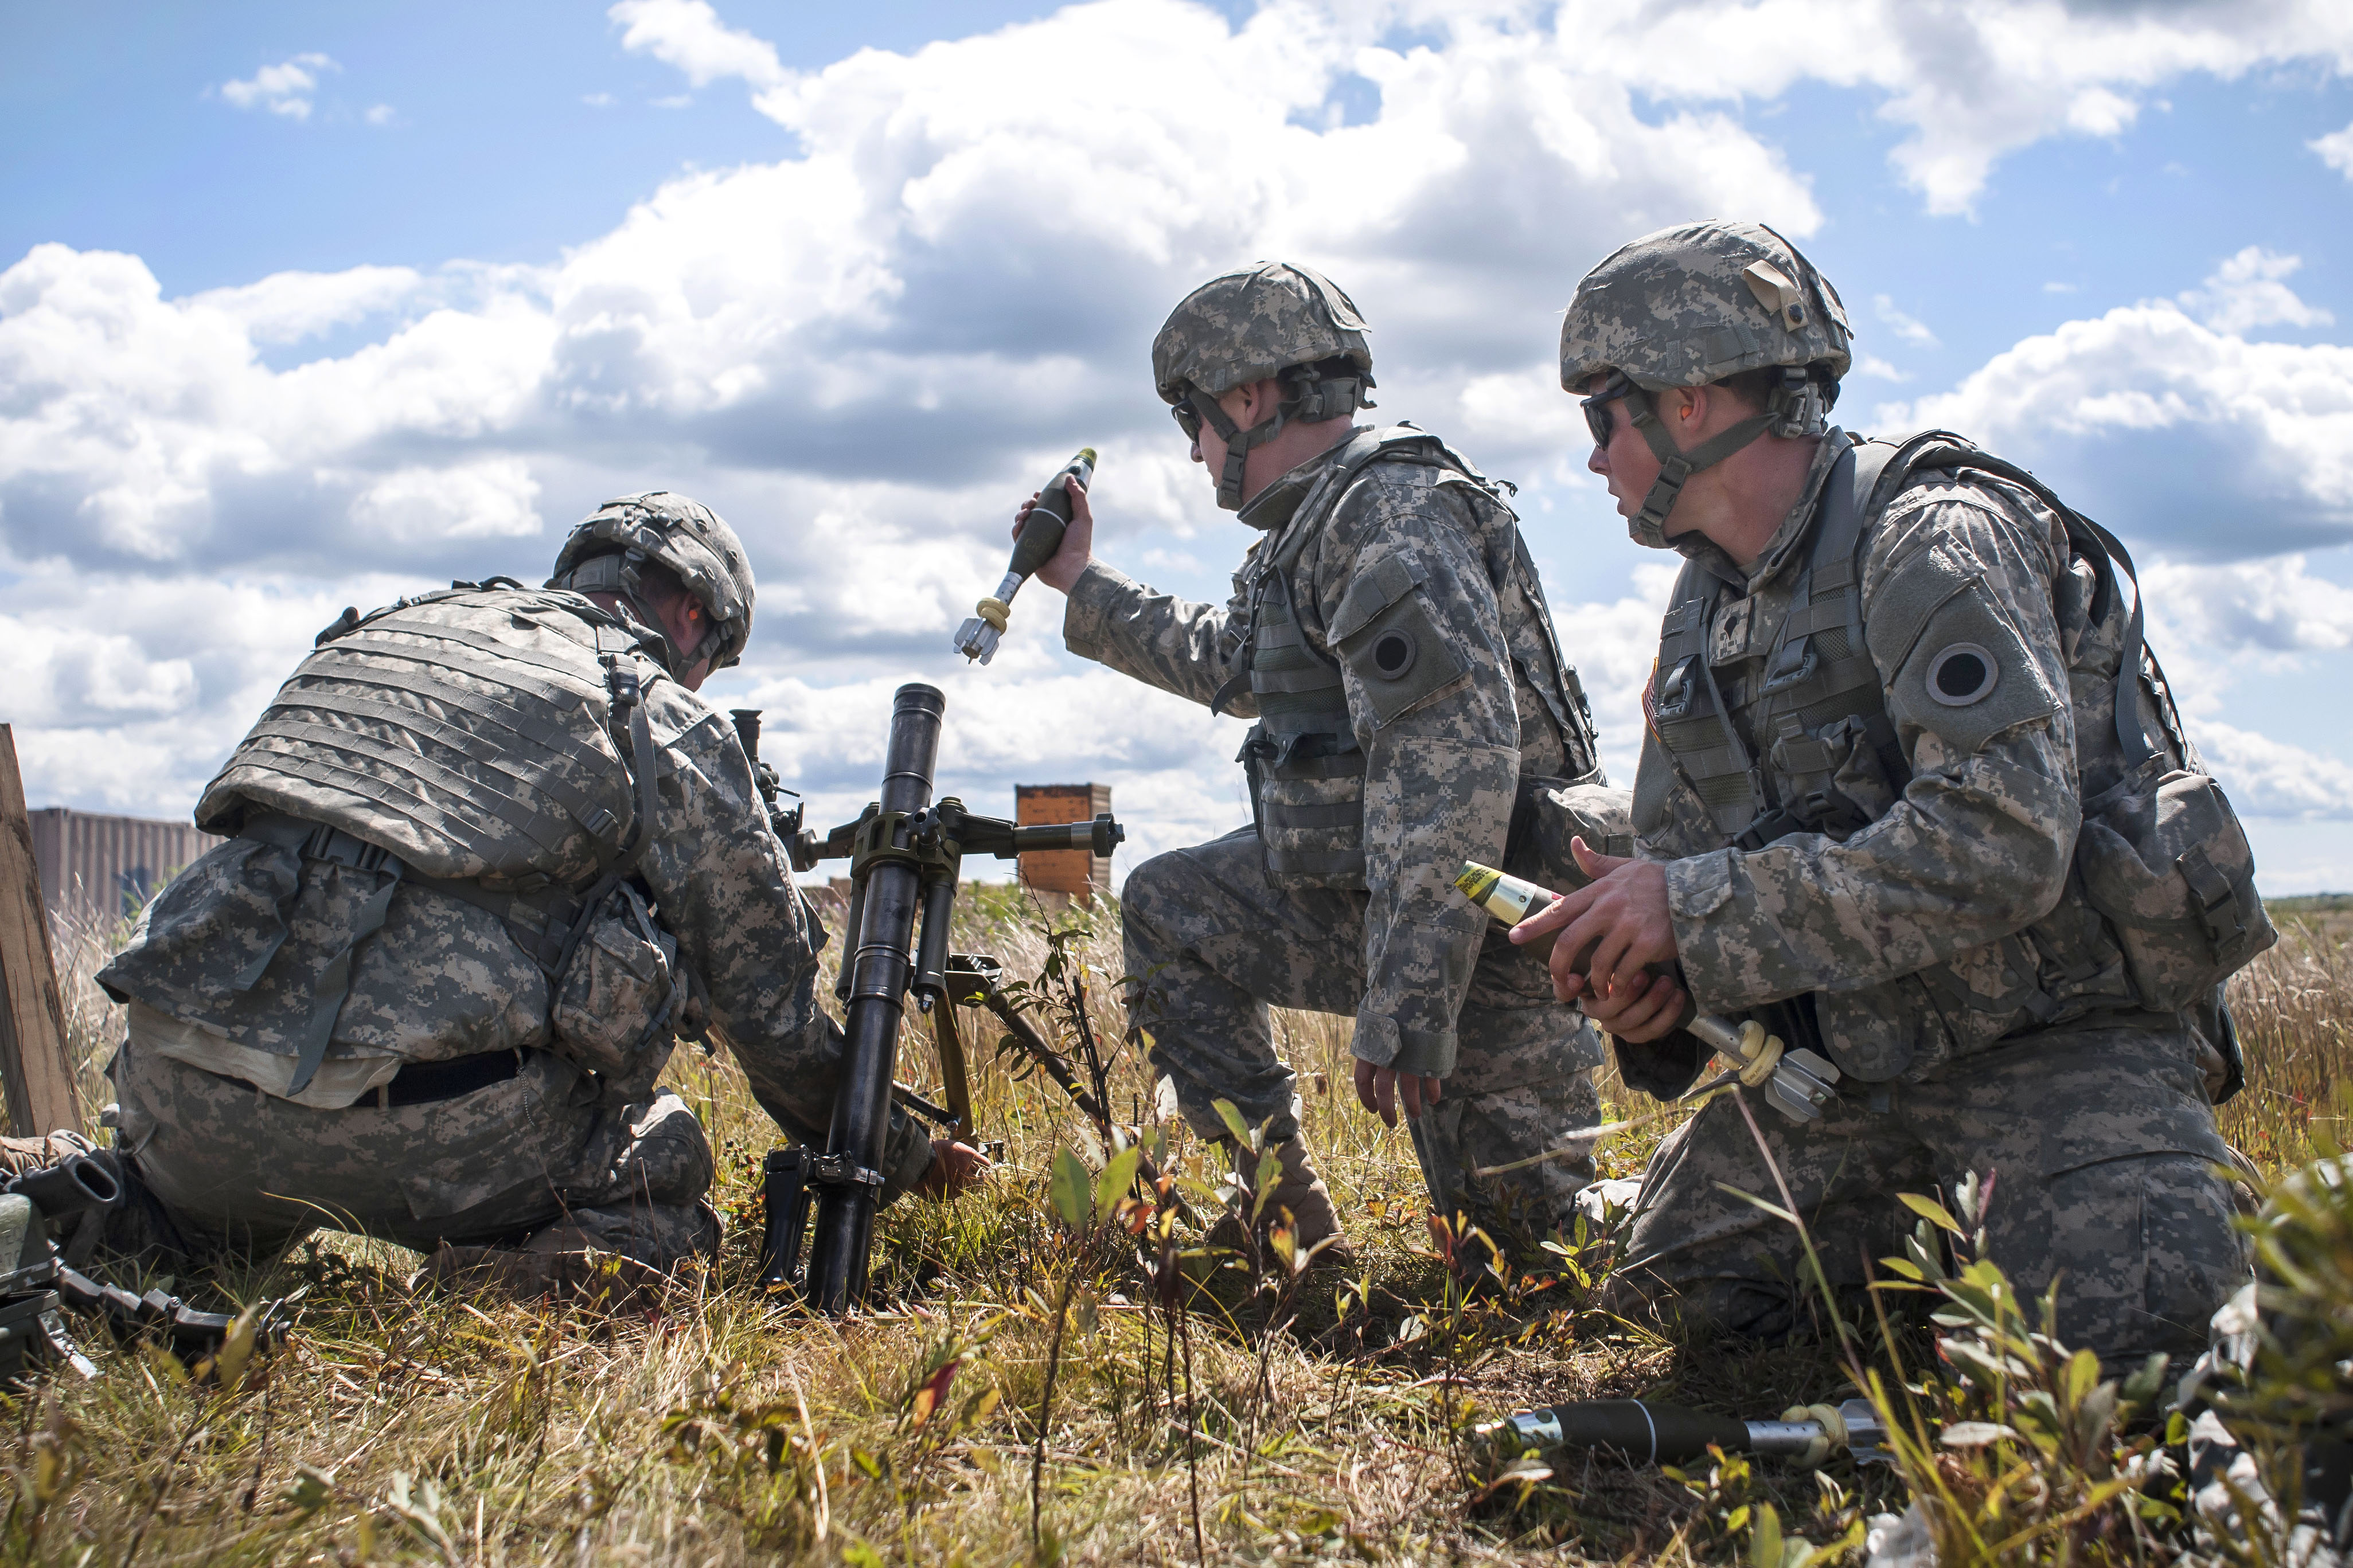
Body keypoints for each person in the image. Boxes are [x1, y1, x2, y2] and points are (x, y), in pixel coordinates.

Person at [1516, 221, 2267, 1364]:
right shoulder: (1703, 615)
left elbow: (2001, 840)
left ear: (1688, 404)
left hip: (2056, 1051)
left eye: (1600, 416)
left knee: (2150, 1360)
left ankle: (2095, 1228)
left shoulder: (1934, 537)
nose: (1592, 459)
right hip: (1857, 1082)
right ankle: (1954, 1290)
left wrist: (1694, 912)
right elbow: (1699, 872)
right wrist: (1658, 993)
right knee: (1671, 1305)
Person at [89, 492, 984, 1296]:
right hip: (427, 1142)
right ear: (693, 613)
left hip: (179, 1094)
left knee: (168, 1225)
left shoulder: (382, 637)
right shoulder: (654, 709)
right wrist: (911, 1162)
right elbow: (775, 1029)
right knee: (663, 1172)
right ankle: (476, 1297)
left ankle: (88, 1205)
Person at [1020, 260, 1609, 1260]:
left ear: (1248, 399)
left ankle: (1699, 1202)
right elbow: (1235, 660)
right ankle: (1286, 1232)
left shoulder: (1388, 513)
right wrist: (1079, 580)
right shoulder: (1318, 524)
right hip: (1379, 903)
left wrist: (1410, 997)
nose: (1198, 450)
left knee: (1535, 1259)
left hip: (1493, 938)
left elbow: (1450, 759)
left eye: (1193, 420)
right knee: (1173, 903)